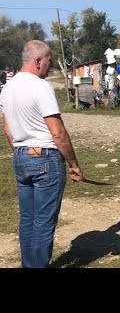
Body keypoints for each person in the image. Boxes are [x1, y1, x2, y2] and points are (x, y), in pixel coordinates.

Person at [0, 40, 84, 268]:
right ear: (38, 61)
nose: (49, 66)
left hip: (20, 155)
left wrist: (23, 152)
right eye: (48, 61)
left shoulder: (7, 88)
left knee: (27, 219)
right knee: (44, 222)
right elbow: (57, 132)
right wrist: (74, 164)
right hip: (45, 158)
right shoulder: (40, 86)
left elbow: (7, 129)